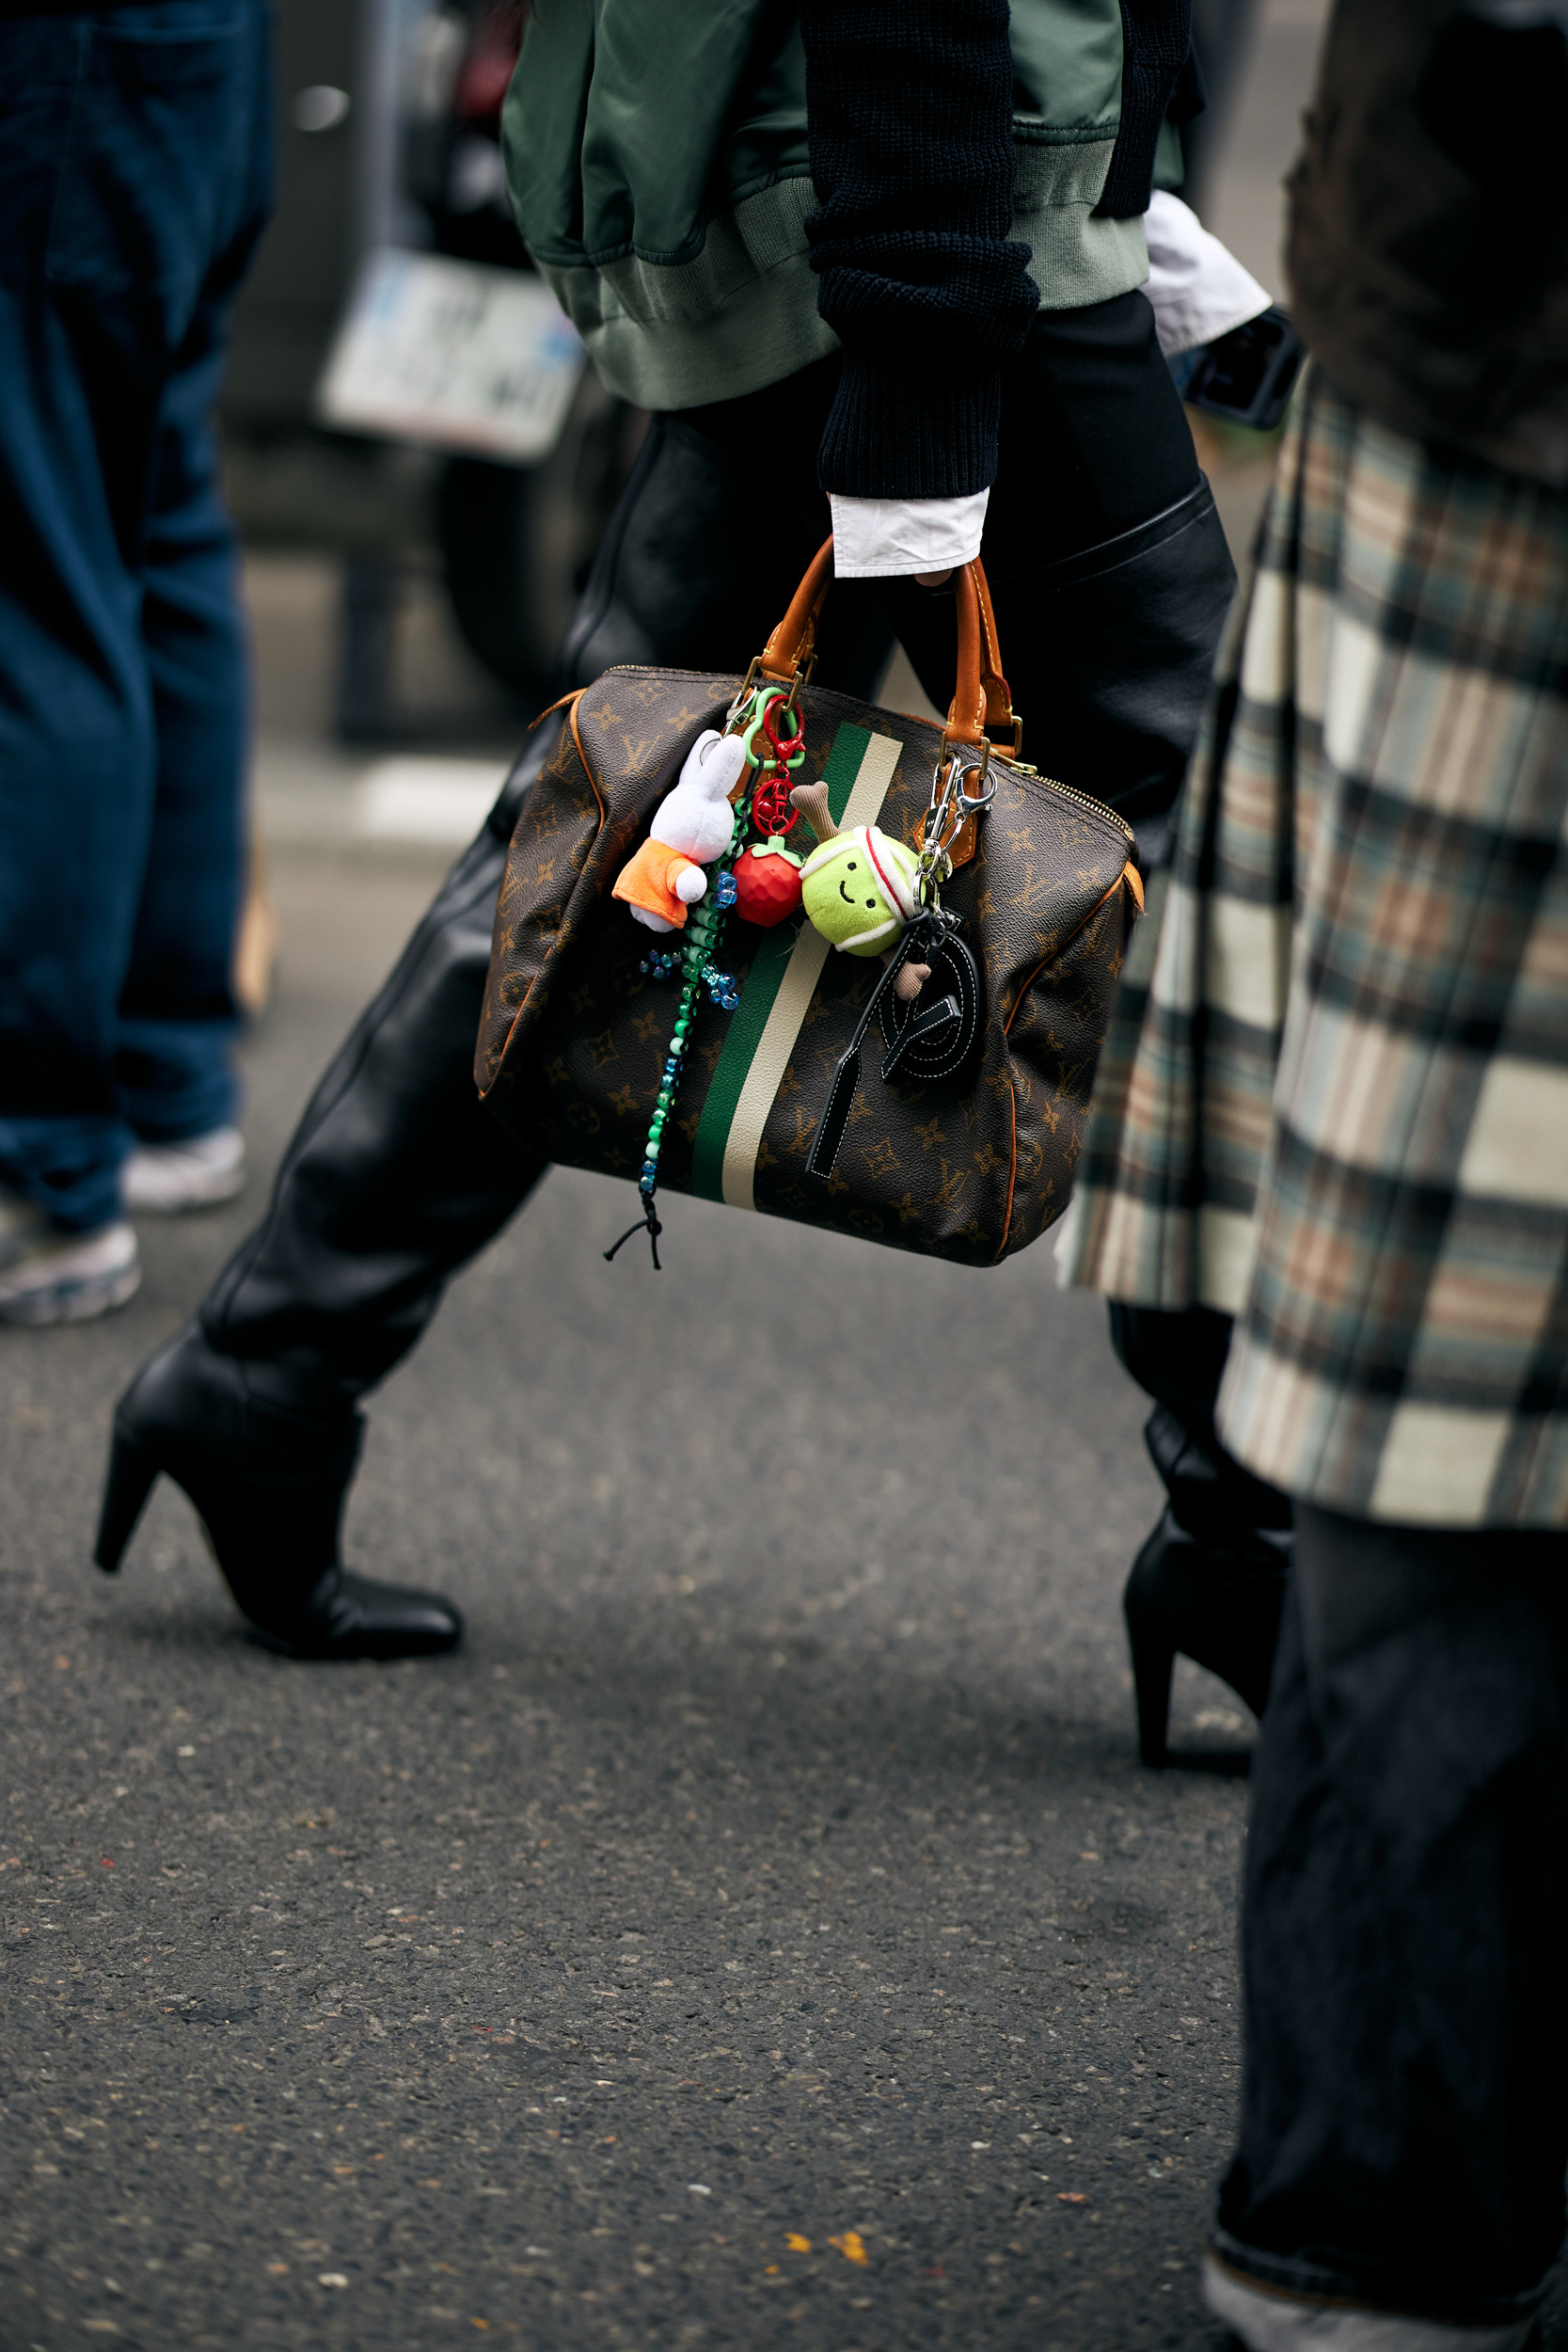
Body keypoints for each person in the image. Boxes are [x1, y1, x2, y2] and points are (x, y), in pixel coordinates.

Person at [95, 0, 1237, 1659]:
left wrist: (1130, 194)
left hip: (849, 185)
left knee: (617, 828)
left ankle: (266, 1374)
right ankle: (1251, 1523)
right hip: (908, 181)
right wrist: (940, 303)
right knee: (1208, 857)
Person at [1061, 0, 1568, 2338]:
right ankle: (1368, 2217)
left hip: (1447, 285)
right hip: (1505, 335)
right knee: (1454, 1359)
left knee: (1423, 1312)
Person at [0, 0, 272, 1326]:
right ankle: (164, 1080)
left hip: (57, 65)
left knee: (36, 579)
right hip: (193, 51)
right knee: (146, 521)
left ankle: (39, 1166)